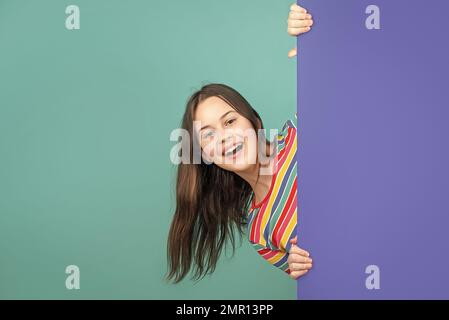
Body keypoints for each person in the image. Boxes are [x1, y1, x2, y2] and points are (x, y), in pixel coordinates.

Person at [166, 3, 314, 283]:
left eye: (230, 121)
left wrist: (316, 36)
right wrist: (306, 267)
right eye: (208, 134)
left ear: (255, 123)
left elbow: (352, 89)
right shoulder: (260, 233)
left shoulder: (300, 133)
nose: (224, 137)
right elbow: (323, 284)